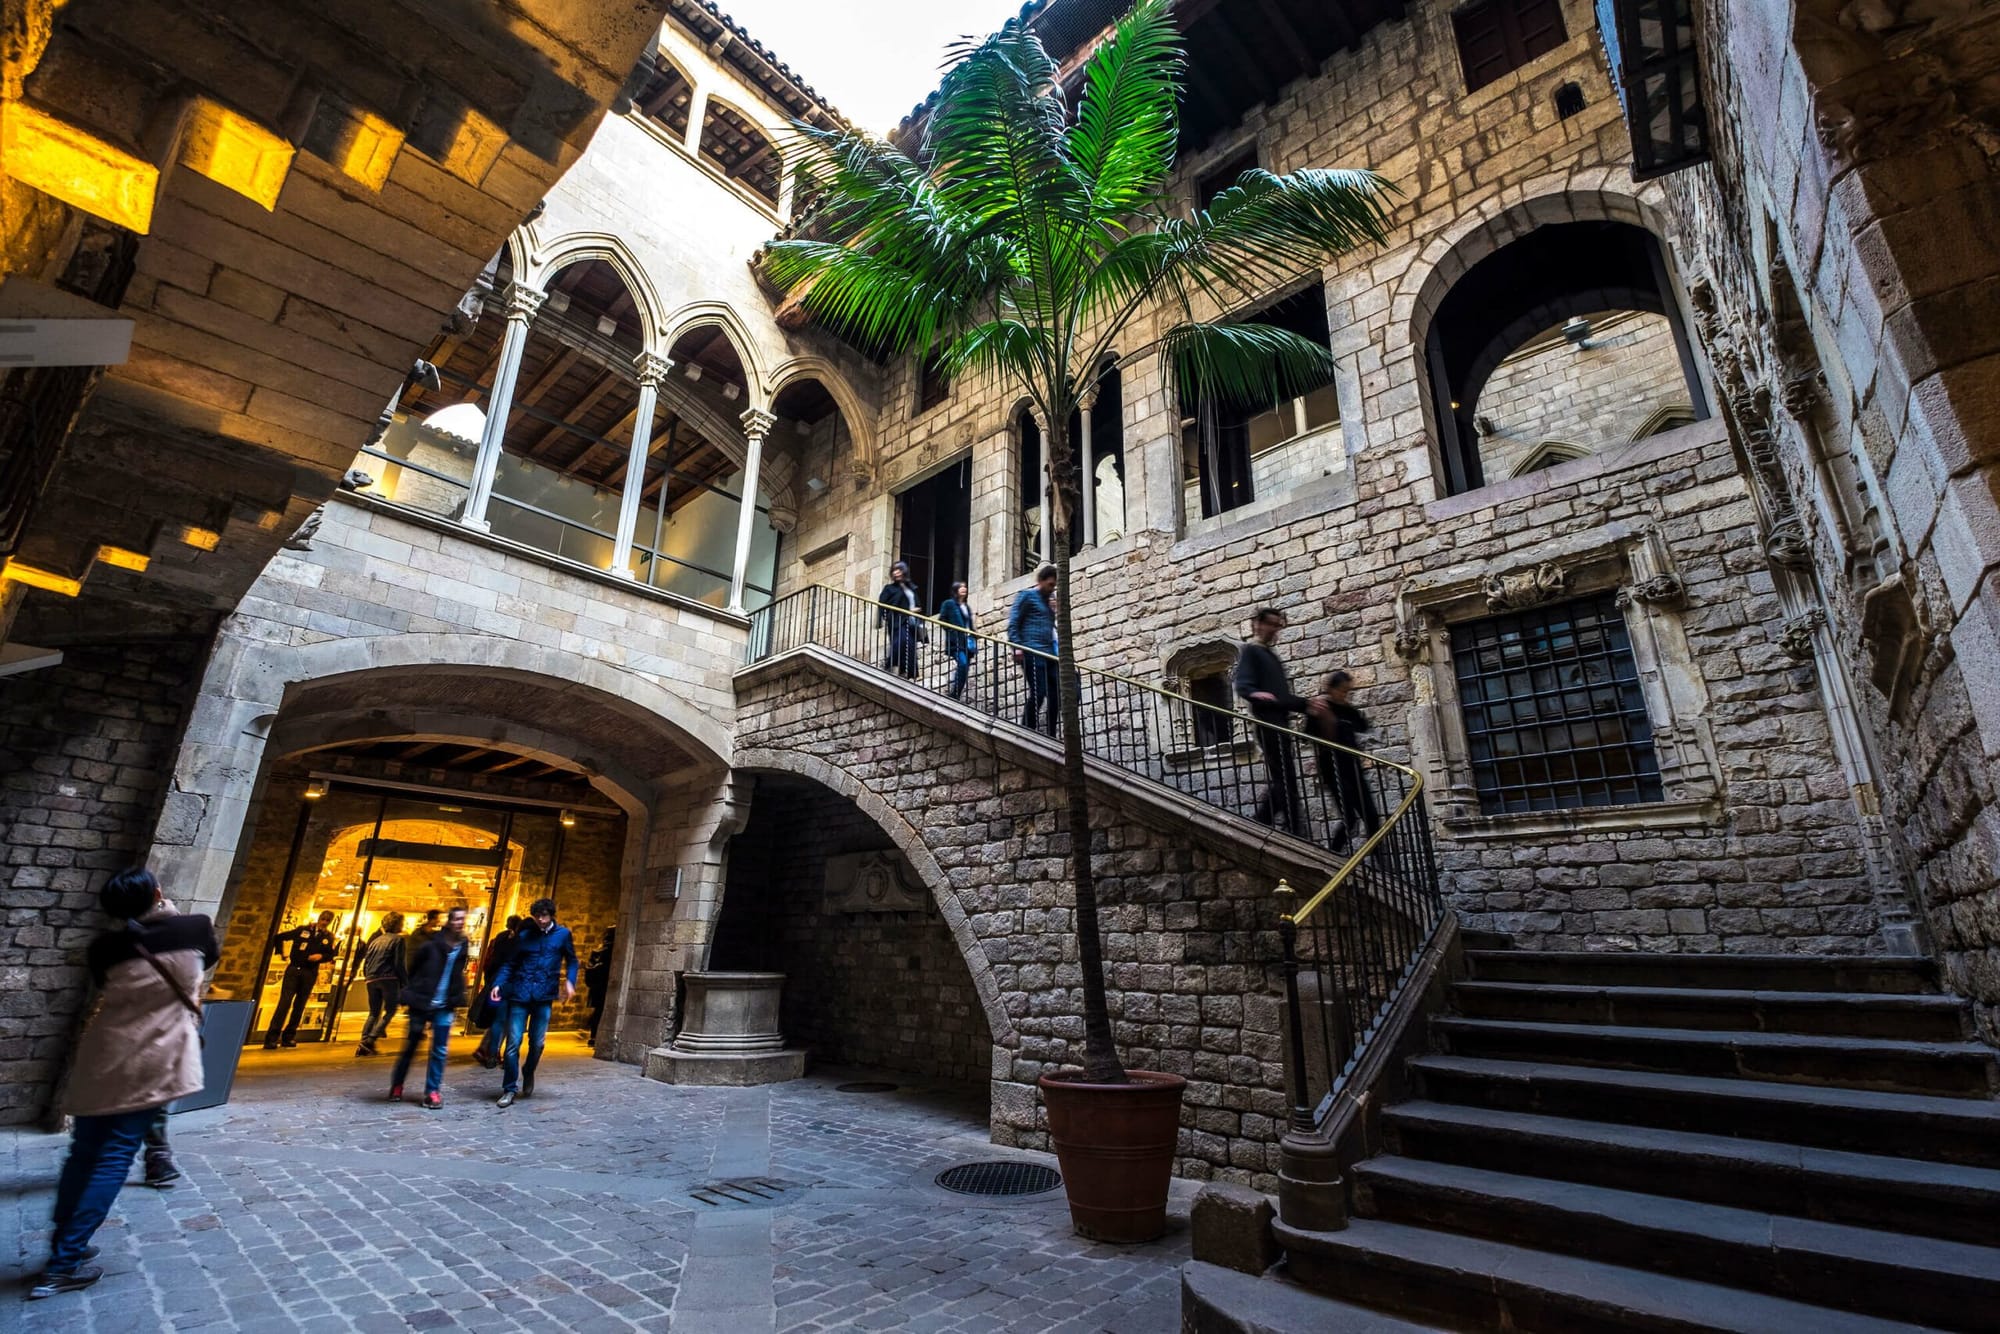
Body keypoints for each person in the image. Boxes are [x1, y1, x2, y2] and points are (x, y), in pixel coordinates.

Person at [31, 868, 217, 1300]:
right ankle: (63, 1264)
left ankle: (65, 1247)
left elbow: (102, 985)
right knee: (114, 1155)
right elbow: (206, 959)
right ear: (157, 892)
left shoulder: (105, 948)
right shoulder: (193, 928)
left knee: (83, 1153)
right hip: (153, 1056)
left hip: (105, 1052)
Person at [489, 897, 577, 1107]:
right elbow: (510, 964)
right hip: (520, 994)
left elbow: (572, 960)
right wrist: (498, 984)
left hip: (544, 996)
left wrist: (570, 982)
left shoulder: (563, 935)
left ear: (551, 915)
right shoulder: (525, 936)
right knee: (512, 1044)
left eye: (544, 916)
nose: (541, 920)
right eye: (537, 917)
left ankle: (528, 1071)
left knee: (537, 1043)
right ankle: (509, 1088)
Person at [1234, 607, 1311, 836]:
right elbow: (1243, 684)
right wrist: (1255, 694)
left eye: (1278, 626)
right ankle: (1287, 827)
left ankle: (1279, 824)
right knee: (1284, 780)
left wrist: (1306, 704)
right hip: (1268, 724)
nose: (1275, 630)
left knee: (1285, 779)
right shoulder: (1252, 651)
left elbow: (1281, 697)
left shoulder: (1270, 655)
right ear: (1258, 624)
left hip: (1280, 724)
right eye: (1272, 624)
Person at [388, 905, 471, 1110]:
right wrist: (413, 992)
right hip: (422, 1001)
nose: (460, 922)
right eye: (457, 919)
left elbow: (458, 971)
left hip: (445, 1004)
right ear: (449, 921)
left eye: (463, 919)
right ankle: (398, 1084)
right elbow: (414, 969)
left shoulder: (463, 945)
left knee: (440, 1050)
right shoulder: (431, 944)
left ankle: (432, 1091)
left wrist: (455, 995)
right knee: (411, 1046)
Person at [1308, 670, 1381, 851]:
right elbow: (1307, 734)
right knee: (1350, 818)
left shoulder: (1346, 708)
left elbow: (1363, 726)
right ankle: (1332, 854)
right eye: (1341, 690)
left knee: (1371, 816)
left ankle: (1381, 862)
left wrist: (1347, 708)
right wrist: (1319, 715)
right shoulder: (1321, 707)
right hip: (1332, 768)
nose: (1344, 694)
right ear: (1331, 689)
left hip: (1352, 766)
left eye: (1347, 691)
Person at [262, 909, 337, 1048]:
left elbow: (331, 954)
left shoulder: (328, 937)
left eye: (327, 920)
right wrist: (282, 954)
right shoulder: (303, 930)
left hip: (310, 972)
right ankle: (272, 1037)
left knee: (300, 1005)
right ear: (319, 918)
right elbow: (279, 937)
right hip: (294, 969)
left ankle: (288, 1037)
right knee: (284, 1003)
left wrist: (321, 957)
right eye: (323, 919)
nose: (324, 922)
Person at [1008, 563, 1059, 736]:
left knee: (1057, 693)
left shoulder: (1049, 604)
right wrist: (1017, 647)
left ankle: (1051, 732)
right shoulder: (1027, 596)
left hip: (1049, 655)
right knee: (1039, 692)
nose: (1052, 588)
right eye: (1050, 584)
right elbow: (1014, 623)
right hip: (1032, 652)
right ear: (1041, 581)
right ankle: (1027, 729)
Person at [473, 915, 524, 1068]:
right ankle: (492, 1053)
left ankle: (487, 1050)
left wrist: (490, 981)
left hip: (495, 982)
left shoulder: (499, 939)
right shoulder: (517, 943)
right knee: (507, 1021)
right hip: (509, 985)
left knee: (498, 1019)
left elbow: (492, 962)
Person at [353, 912, 407, 1056]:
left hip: (372, 978)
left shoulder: (376, 941)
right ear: (397, 925)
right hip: (388, 978)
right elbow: (399, 963)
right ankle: (370, 1040)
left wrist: (367, 976)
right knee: (390, 1010)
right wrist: (404, 982)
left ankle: (364, 1041)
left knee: (373, 1012)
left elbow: (367, 961)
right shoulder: (398, 940)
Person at [877, 561, 924, 680]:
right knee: (901, 641)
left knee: (910, 647)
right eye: (894, 570)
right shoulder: (889, 588)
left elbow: (917, 604)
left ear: (904, 571)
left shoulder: (911, 588)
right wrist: (882, 618)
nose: (896, 572)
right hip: (897, 620)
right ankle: (889, 665)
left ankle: (906, 673)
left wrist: (915, 611)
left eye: (899, 570)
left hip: (912, 622)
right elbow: (881, 603)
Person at [937, 582, 977, 700]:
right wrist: (952, 631)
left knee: (964, 670)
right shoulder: (949, 604)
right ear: (955, 590)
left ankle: (956, 694)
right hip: (956, 641)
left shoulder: (966, 606)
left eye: (965, 586)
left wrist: (974, 634)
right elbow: (942, 619)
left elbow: (968, 624)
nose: (964, 588)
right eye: (961, 587)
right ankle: (953, 693)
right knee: (963, 664)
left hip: (968, 641)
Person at [583, 927, 617, 1045]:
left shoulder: (597, 951)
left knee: (598, 1011)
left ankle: (594, 1036)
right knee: (603, 1011)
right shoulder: (615, 951)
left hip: (597, 987)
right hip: (606, 985)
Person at [404, 908, 442, 974]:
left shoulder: (430, 933)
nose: (439, 921)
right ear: (432, 920)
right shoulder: (419, 934)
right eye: (438, 919)